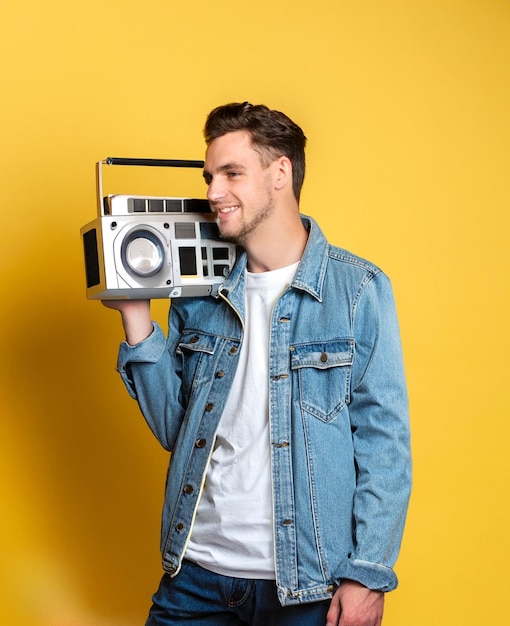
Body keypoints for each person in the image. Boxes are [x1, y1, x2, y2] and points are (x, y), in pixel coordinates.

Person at [103, 102, 412, 626]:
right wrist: (137, 318)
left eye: (231, 173)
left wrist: (368, 573)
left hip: (307, 585)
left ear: (280, 174)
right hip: (196, 574)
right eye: (209, 177)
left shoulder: (356, 289)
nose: (213, 192)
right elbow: (176, 430)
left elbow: (385, 441)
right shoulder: (198, 296)